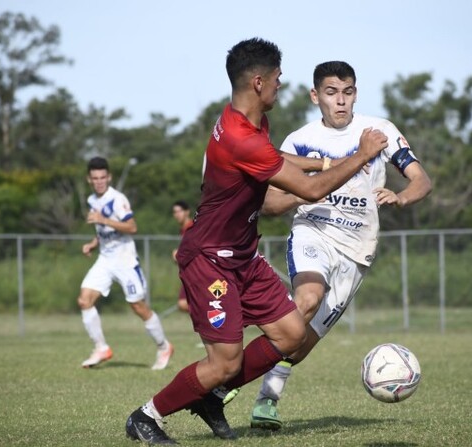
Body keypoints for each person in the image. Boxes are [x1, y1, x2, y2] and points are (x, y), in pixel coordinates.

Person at [125, 38, 388, 445]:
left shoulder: (251, 123)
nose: (283, 85)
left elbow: (279, 162)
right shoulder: (239, 137)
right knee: (224, 363)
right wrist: (361, 155)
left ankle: (211, 398)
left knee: (291, 334)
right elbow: (309, 190)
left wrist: (325, 162)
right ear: (260, 82)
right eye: (279, 79)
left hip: (243, 256)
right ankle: (147, 416)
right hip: (210, 259)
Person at [243, 60, 432, 430]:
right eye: (331, 93)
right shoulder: (299, 140)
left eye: (347, 92)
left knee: (303, 342)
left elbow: (420, 179)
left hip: (357, 250)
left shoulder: (379, 131)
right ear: (316, 96)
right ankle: (236, 384)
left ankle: (265, 394)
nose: (340, 101)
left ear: (355, 94)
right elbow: (268, 202)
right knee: (308, 299)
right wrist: (306, 193)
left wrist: (402, 197)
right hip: (313, 232)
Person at [78, 156, 174, 370]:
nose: (100, 181)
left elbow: (131, 227)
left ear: (109, 177)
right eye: (95, 178)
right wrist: (93, 243)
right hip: (105, 259)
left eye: (103, 177)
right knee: (85, 300)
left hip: (125, 261)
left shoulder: (117, 199)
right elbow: (104, 232)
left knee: (138, 307)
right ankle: (101, 347)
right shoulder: (92, 200)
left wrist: (102, 219)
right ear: (89, 180)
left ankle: (163, 346)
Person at [171, 200, 194, 313]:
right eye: (174, 212)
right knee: (183, 303)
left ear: (187, 212)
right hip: (189, 273)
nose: (177, 214)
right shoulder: (183, 230)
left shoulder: (192, 227)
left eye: (179, 211)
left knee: (183, 303)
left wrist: (178, 255)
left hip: (198, 272)